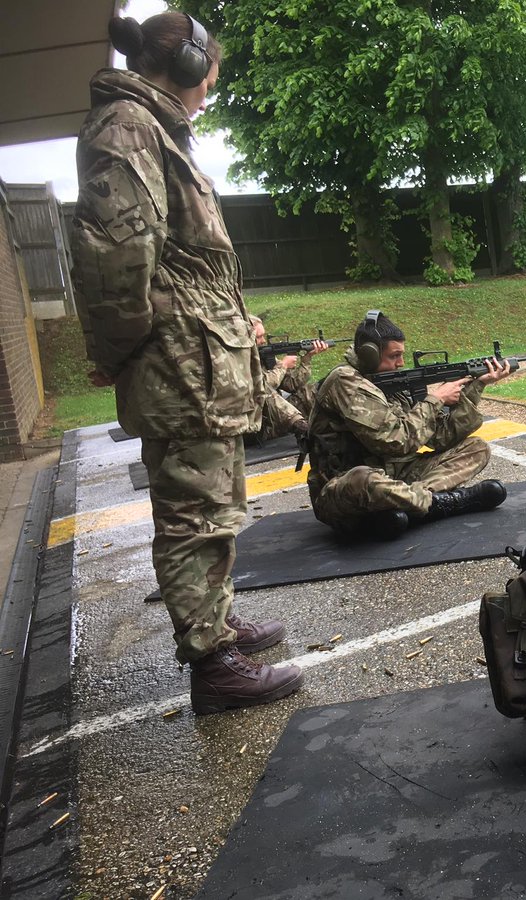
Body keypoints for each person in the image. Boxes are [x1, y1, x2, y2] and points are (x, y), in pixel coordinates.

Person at [71, 11, 304, 714]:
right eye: (210, 79)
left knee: (216, 504)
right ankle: (212, 665)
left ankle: (218, 622)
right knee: (192, 515)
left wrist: (237, 320)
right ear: (190, 67)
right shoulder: (128, 129)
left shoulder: (153, 129)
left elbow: (181, 260)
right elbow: (117, 259)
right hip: (177, 367)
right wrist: (115, 352)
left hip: (199, 360)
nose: (209, 93)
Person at [305, 310, 511, 538]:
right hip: (344, 488)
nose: (401, 363)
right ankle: (440, 503)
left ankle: (408, 507)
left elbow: (441, 437)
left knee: (476, 448)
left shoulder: (390, 381)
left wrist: (476, 386)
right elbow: (394, 441)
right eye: (394, 356)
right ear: (369, 354)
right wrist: (436, 400)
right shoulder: (345, 382)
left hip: (398, 475)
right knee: (362, 479)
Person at [247, 314, 328, 444]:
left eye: (263, 336)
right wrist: (283, 365)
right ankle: (303, 429)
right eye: (258, 337)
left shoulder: (263, 355)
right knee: (264, 390)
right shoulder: (240, 362)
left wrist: (307, 359)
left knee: (310, 391)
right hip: (259, 425)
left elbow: (292, 384)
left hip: (277, 419)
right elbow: (261, 385)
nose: (262, 341)